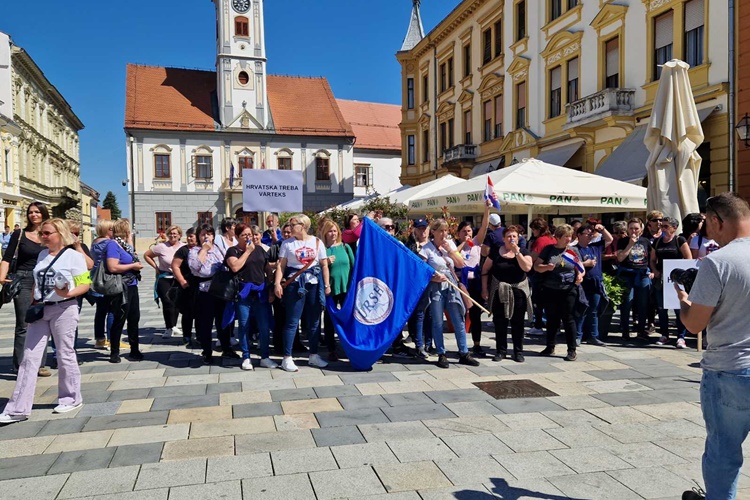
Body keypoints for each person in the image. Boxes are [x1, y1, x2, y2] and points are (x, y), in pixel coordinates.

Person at [676, 193, 750, 500]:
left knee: (723, 450)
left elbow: (694, 324)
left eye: (707, 225)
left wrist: (683, 300)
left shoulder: (717, 262)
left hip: (729, 369)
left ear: (717, 221)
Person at [0, 218, 92, 424]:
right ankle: (18, 408)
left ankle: (71, 398)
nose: (43, 236)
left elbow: (85, 284)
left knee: (65, 353)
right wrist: (34, 301)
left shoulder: (73, 257)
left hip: (64, 309)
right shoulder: (42, 255)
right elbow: (37, 281)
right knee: (29, 357)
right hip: (41, 310)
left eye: (47, 233)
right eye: (42, 233)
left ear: (60, 234)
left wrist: (68, 292)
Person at [274, 214, 331, 372]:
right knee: (292, 321)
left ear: (303, 225)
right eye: (289, 225)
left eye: (293, 224)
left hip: (313, 283)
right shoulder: (287, 244)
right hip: (294, 285)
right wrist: (277, 283)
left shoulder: (317, 242)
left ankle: (313, 355)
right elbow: (281, 266)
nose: (290, 227)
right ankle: (287, 357)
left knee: (314, 321)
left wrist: (326, 284)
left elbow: (324, 265)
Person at [420, 219, 480, 369]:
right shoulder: (426, 249)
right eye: (440, 230)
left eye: (446, 231)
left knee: (458, 318)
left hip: (452, 284)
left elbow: (461, 264)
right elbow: (421, 271)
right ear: (433, 232)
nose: (444, 234)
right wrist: (434, 277)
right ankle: (441, 353)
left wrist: (451, 251)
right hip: (436, 286)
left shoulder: (450, 244)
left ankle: (464, 352)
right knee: (438, 321)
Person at [0, 202, 50, 376]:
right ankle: (20, 365)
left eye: (37, 212)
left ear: (44, 214)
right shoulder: (20, 233)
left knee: (42, 321)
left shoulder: (49, 234)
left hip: (44, 280)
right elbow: (7, 258)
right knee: (23, 323)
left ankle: (39, 364)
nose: (34, 215)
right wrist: (2, 277)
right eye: (31, 212)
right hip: (23, 279)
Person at [226, 223, 276, 370]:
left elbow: (267, 269)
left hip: (260, 292)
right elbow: (235, 267)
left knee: (264, 325)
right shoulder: (233, 251)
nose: (249, 237)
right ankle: (246, 357)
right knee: (244, 324)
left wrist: (271, 289)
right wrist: (247, 252)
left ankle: (265, 357)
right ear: (237, 237)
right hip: (243, 293)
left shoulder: (259, 249)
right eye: (245, 235)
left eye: (250, 234)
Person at [481, 225, 533, 362]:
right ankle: (500, 350)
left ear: (518, 238)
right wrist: (484, 289)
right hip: (500, 291)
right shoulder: (496, 252)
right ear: (504, 239)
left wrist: (517, 253)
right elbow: (485, 269)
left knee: (518, 323)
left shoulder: (524, 251)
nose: (511, 239)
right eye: (508, 236)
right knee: (500, 322)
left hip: (518, 291)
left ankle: (518, 351)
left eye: (514, 236)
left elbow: (527, 267)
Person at [189, 224, 239, 364]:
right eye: (203, 234)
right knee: (206, 323)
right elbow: (195, 268)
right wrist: (204, 250)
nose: (206, 237)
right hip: (205, 290)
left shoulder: (217, 249)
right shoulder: (195, 250)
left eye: (209, 234)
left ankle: (226, 348)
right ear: (199, 236)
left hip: (220, 289)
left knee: (223, 321)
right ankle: (207, 351)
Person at [534, 224, 584, 361]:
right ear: (557, 237)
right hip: (550, 289)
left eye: (570, 236)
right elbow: (536, 266)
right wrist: (546, 267)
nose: (568, 239)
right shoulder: (549, 250)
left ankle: (571, 350)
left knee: (568, 319)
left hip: (568, 289)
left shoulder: (573, 251)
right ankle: (550, 347)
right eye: (565, 236)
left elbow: (580, 267)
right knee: (552, 319)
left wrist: (580, 276)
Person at [48, 221, 94, 370]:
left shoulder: (80, 248)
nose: (74, 236)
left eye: (76, 233)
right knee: (56, 324)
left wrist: (78, 246)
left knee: (71, 323)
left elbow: (90, 265)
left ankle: (70, 351)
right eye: (71, 232)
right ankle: (56, 354)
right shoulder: (58, 249)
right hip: (57, 291)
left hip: (75, 291)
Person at [106, 219, 144, 363]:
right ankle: (114, 352)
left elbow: (131, 253)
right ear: (124, 229)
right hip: (121, 286)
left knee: (134, 318)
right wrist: (133, 266)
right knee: (120, 318)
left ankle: (134, 349)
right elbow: (112, 267)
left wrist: (129, 239)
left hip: (132, 285)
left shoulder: (124, 245)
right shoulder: (112, 245)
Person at [456, 202, 491, 356]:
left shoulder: (477, 243)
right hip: (462, 283)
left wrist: (487, 209)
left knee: (476, 315)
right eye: (464, 231)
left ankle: (477, 344)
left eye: (469, 231)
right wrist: (464, 242)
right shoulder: (456, 246)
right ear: (459, 233)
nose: (467, 234)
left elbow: (484, 225)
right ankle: (461, 345)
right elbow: (454, 256)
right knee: (460, 314)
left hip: (475, 282)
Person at [651, 216, 691, 348]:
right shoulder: (657, 242)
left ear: (674, 228)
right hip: (661, 279)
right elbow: (652, 259)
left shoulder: (680, 240)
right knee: (662, 308)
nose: (662, 228)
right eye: (661, 226)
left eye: (665, 226)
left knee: (679, 308)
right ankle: (664, 335)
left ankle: (681, 337)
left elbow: (688, 257)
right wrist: (655, 270)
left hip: (676, 280)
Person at [320, 219, 354, 362]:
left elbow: (354, 267)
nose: (333, 233)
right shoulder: (322, 249)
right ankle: (331, 349)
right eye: (330, 231)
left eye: (335, 231)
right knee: (328, 320)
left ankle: (348, 346)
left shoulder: (346, 247)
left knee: (348, 319)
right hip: (330, 290)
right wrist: (325, 262)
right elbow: (316, 268)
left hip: (346, 289)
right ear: (325, 233)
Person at [144, 225, 185, 339]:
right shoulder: (161, 247)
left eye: (175, 234)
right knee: (167, 301)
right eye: (170, 234)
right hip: (164, 277)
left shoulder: (183, 247)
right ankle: (168, 327)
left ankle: (174, 325)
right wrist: (156, 267)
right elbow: (147, 255)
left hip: (178, 277)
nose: (172, 236)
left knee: (176, 302)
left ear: (179, 235)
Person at [616, 218, 654, 340]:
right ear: (627, 229)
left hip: (642, 274)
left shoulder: (646, 241)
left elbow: (652, 258)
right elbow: (620, 258)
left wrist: (652, 271)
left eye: (636, 228)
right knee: (627, 302)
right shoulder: (622, 241)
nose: (633, 230)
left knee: (643, 303)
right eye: (631, 228)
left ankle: (641, 331)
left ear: (641, 230)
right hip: (627, 274)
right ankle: (625, 331)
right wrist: (630, 244)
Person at [575, 223, 613, 346]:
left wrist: (602, 229)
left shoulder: (595, 247)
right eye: (587, 233)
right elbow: (571, 263)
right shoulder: (575, 249)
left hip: (596, 284)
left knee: (594, 311)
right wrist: (586, 264)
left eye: (591, 233)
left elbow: (609, 239)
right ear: (579, 235)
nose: (590, 236)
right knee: (581, 310)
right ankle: (578, 336)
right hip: (582, 284)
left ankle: (593, 336)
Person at [406, 218, 432, 358]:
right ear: (415, 230)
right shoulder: (410, 245)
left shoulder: (433, 245)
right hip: (416, 285)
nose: (423, 231)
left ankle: (429, 343)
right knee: (419, 315)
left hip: (432, 285)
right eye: (420, 228)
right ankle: (419, 344)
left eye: (425, 228)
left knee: (431, 315)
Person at [528, 218, 557, 335]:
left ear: (538, 229)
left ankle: (538, 325)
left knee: (537, 301)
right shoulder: (552, 238)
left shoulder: (540, 241)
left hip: (540, 274)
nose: (533, 232)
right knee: (551, 303)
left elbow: (533, 257)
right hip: (552, 274)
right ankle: (554, 327)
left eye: (533, 230)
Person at [91, 219, 116, 350]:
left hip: (95, 281)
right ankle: (113, 340)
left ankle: (100, 339)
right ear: (107, 230)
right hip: (107, 281)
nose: (115, 231)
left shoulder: (95, 243)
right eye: (112, 229)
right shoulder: (109, 243)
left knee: (100, 311)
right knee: (112, 310)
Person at [171, 227, 198, 347]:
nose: (189, 238)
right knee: (187, 313)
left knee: (200, 312)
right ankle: (186, 335)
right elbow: (175, 266)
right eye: (188, 236)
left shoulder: (203, 249)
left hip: (200, 286)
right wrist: (182, 281)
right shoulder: (183, 250)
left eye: (192, 235)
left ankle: (200, 335)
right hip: (187, 286)